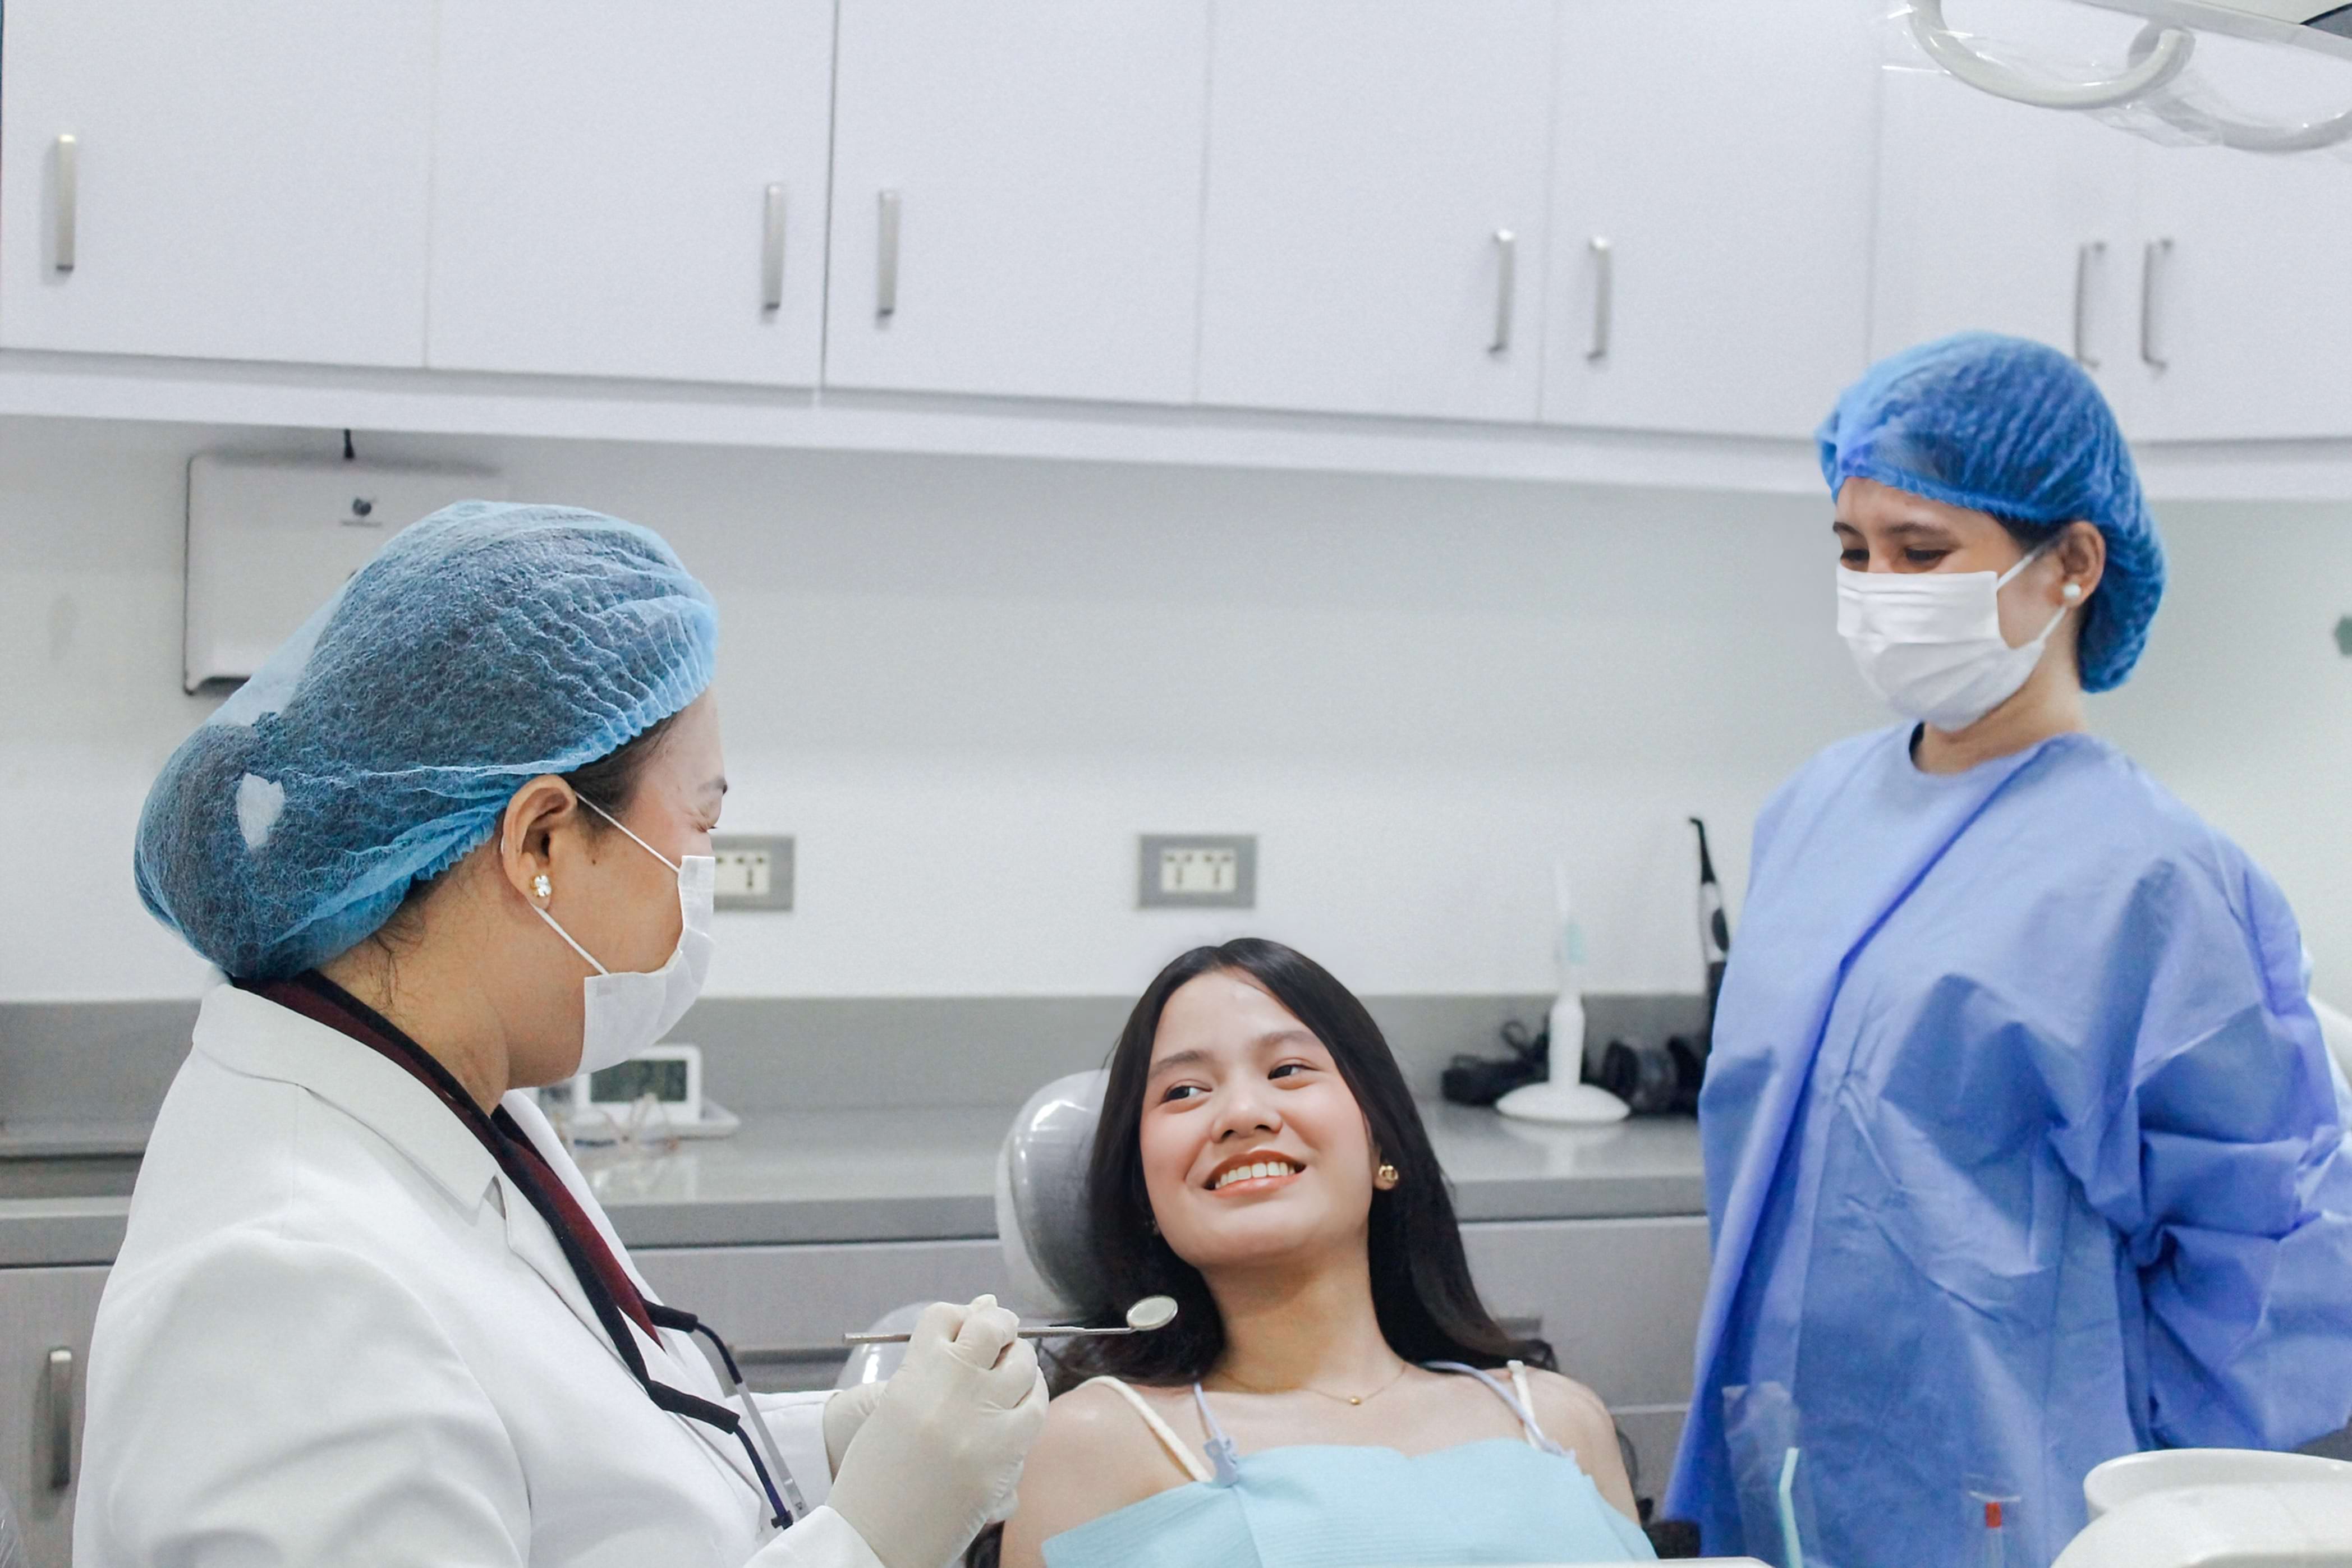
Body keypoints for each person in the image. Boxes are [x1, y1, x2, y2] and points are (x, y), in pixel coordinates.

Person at [82, 502, 1047, 1568]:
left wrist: (826, 1449)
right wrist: (872, 1538)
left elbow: (590, 1480)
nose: (703, 879)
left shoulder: (456, 1099)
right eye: (700, 827)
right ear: (541, 838)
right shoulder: (289, 1291)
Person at [1665, 334, 2352, 1567]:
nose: (1876, 585)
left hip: (2019, 1485)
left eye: (1920, 552)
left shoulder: (2152, 873)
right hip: (1774, 1448)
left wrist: (2145, 1499)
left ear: (2071, 563)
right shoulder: (1811, 809)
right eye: (1851, 550)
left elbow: (2267, 1256)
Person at [995, 938, 1653, 1568]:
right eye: (1185, 1091)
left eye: (1288, 1070)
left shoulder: (1554, 1417)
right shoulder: (1092, 1440)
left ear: (1382, 1149)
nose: (1241, 1112)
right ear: (1144, 1196)